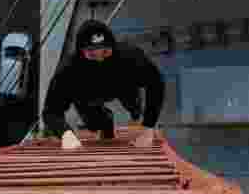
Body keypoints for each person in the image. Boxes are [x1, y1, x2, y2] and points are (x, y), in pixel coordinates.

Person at [42, 19, 164, 149]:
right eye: (92, 54)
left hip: (122, 85)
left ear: (113, 47)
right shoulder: (68, 69)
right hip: (87, 94)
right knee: (94, 124)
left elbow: (156, 84)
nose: (100, 59)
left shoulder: (130, 57)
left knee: (133, 105)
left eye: (105, 52)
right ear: (81, 52)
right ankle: (105, 121)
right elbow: (51, 111)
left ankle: (135, 110)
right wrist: (66, 134)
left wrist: (148, 127)